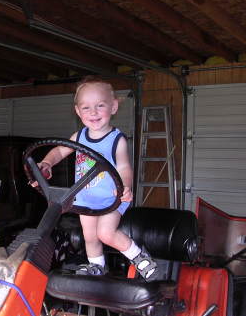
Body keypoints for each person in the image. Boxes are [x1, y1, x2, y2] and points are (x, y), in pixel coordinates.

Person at [32, 76, 158, 282]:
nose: (93, 112)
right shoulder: (78, 137)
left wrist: (125, 186)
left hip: (111, 198)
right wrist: (46, 163)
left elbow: (124, 166)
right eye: (86, 107)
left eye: (100, 105)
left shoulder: (117, 139)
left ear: (114, 107)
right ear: (78, 111)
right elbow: (58, 151)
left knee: (105, 234)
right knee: (89, 237)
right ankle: (96, 267)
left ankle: (140, 257)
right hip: (86, 200)